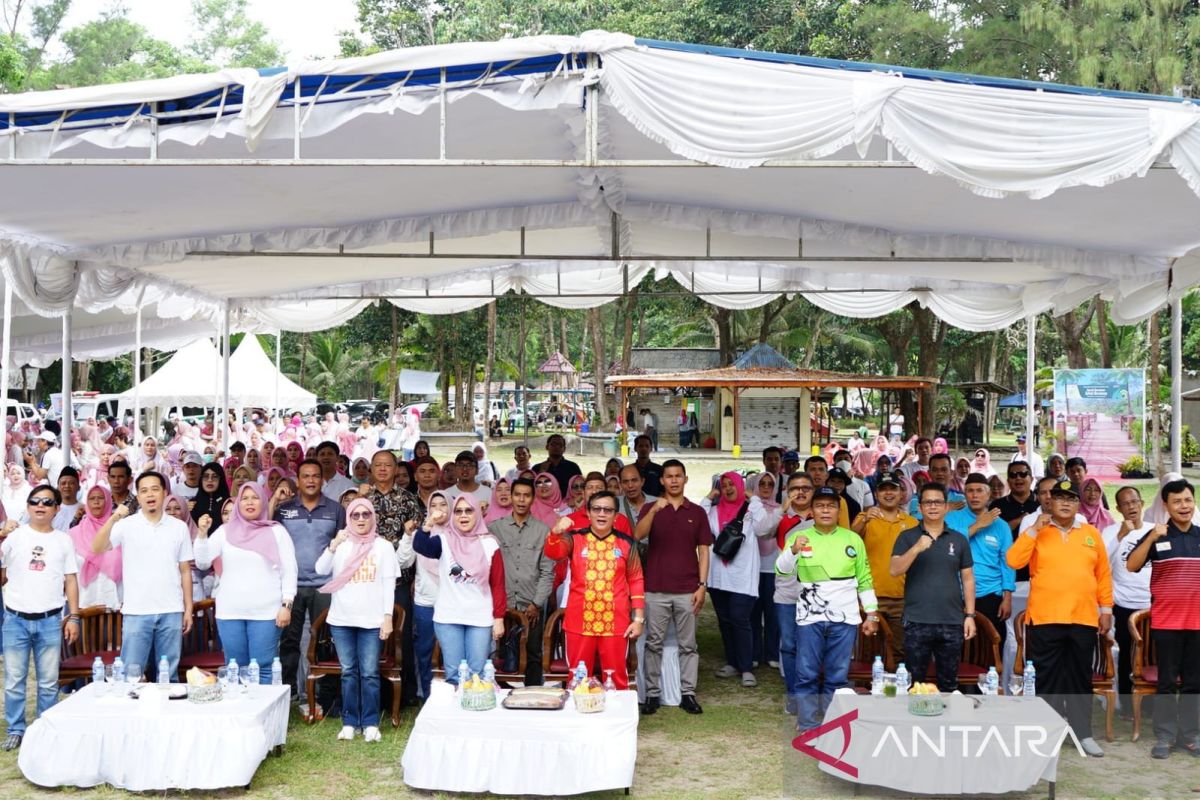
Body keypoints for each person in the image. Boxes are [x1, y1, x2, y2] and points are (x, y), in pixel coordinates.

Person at [1006, 479, 1111, 758]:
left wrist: (1107, 610)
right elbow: (1014, 561)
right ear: (1049, 501)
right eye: (1059, 497)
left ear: (1078, 504)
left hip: (1083, 618)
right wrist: (1033, 531)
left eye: (1071, 498)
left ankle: (1083, 734)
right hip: (1045, 617)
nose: (1065, 503)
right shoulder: (1037, 530)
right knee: (1047, 679)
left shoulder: (1091, 533)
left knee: (1079, 678)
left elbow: (1102, 575)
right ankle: (1046, 733)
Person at [775, 487, 878, 732]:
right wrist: (793, 550)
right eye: (819, 505)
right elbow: (782, 570)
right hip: (809, 617)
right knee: (807, 673)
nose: (825, 510)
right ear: (811, 510)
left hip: (846, 617)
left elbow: (864, 578)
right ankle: (809, 723)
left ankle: (833, 725)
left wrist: (872, 613)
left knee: (837, 676)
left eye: (830, 506)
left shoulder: (852, 539)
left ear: (838, 510)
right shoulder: (799, 537)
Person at [0, 485, 81, 751]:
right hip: (15, 619)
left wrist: (74, 617)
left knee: (48, 681)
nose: (40, 506)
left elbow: (71, 579)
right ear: (27, 505)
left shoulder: (63, 540)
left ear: (57, 509)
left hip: (49, 620)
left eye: (47, 502)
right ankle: (16, 729)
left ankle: (44, 728)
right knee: (14, 680)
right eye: (34, 501)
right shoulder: (15, 537)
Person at [91, 472, 194, 681]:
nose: (150, 494)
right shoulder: (127, 525)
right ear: (137, 496)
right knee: (132, 674)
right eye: (144, 490)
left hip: (171, 610)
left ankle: (165, 713)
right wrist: (114, 517)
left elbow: (185, 570)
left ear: (165, 493)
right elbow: (97, 547)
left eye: (155, 489)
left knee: (168, 675)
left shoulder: (179, 527)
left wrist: (188, 608)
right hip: (137, 611)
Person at [193, 482, 297, 681]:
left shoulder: (277, 532)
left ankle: (266, 712)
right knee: (236, 667)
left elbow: (290, 571)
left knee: (264, 667)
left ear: (264, 501)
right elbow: (203, 562)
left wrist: (287, 604)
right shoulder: (224, 531)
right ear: (238, 502)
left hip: (267, 612)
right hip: (230, 611)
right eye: (245, 498)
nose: (250, 502)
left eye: (255, 497)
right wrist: (202, 534)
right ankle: (240, 712)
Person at [1126, 479, 1200, 758]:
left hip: (1197, 623)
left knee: (1195, 683)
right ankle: (1165, 737)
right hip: (1166, 623)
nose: (1184, 506)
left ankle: (1191, 736)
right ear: (1166, 505)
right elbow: (1131, 565)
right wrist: (1150, 538)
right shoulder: (1158, 537)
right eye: (1177, 501)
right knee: (1166, 682)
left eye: (1188, 500)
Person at [315, 498, 398, 743]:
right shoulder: (341, 545)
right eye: (355, 515)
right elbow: (320, 570)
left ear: (373, 518)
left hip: (372, 621)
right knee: (349, 672)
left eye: (366, 514)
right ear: (348, 519)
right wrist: (332, 545)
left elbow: (388, 584)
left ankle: (370, 722)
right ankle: (350, 722)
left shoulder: (383, 547)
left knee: (370, 673)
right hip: (342, 620)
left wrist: (387, 617)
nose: (361, 519)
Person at [634, 460, 712, 715]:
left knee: (688, 645)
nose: (674, 480)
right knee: (653, 643)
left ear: (685, 479)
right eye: (669, 476)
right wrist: (654, 510)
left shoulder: (697, 512)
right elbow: (637, 534)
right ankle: (653, 694)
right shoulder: (651, 506)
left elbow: (703, 550)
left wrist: (702, 585)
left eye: (678, 476)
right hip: (656, 588)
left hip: (688, 589)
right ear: (662, 480)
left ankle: (687, 693)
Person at [545, 490, 645, 688]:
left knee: (616, 678)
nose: (602, 514)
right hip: (579, 622)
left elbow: (636, 579)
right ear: (588, 513)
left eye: (608, 510)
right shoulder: (574, 539)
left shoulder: (627, 544)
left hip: (615, 623)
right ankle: (579, 718)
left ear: (616, 516)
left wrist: (638, 619)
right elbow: (553, 552)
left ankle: (616, 718)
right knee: (578, 679)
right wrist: (555, 532)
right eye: (597, 509)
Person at [889, 482, 976, 692]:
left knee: (949, 684)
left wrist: (970, 615)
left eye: (938, 502)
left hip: (952, 621)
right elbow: (894, 569)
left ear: (946, 507)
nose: (933, 506)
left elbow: (968, 578)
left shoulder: (958, 539)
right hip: (917, 620)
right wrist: (917, 548)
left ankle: (946, 723)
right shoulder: (907, 536)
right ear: (919, 507)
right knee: (914, 684)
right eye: (928, 502)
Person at [413, 494, 507, 681]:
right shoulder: (444, 540)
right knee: (455, 674)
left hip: (479, 618)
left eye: (468, 511)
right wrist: (429, 522)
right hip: (449, 617)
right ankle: (456, 709)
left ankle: (475, 710)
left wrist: (499, 618)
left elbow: (498, 584)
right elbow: (420, 545)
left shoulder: (490, 544)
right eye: (458, 511)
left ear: (477, 514)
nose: (463, 516)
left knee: (477, 674)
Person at [361, 450, 424, 708]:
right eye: (378, 465)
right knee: (370, 635)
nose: (383, 469)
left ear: (396, 469)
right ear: (371, 469)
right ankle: (375, 695)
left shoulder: (409, 500)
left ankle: (406, 693)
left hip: (399, 581)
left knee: (401, 637)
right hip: (367, 581)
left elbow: (415, 537)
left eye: (388, 465)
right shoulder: (363, 500)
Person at [488, 478, 554, 686]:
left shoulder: (543, 531)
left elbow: (547, 572)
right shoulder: (494, 528)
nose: (521, 500)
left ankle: (533, 695)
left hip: (530, 604)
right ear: (512, 497)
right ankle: (503, 698)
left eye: (526, 495)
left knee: (533, 652)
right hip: (503, 603)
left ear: (533, 499)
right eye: (517, 495)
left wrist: (537, 603)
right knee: (501, 653)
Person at [702, 472, 764, 687]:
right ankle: (732, 662)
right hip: (718, 576)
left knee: (740, 619)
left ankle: (746, 667)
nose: (728, 488)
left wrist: (754, 498)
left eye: (732, 484)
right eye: (724, 484)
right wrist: (710, 497)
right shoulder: (714, 511)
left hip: (742, 576)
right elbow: (698, 520)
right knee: (725, 621)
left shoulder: (750, 511)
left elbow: (764, 525)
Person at [946, 474, 1014, 659]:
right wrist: (978, 525)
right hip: (956, 594)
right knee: (957, 650)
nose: (974, 495)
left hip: (990, 594)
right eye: (970, 491)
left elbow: (1007, 562)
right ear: (964, 494)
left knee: (990, 649)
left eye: (979, 491)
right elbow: (948, 546)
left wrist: (1007, 596)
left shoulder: (1001, 526)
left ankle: (990, 686)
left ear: (989, 494)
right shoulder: (952, 519)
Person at [851, 473, 917, 665]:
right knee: (868, 649)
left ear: (901, 492)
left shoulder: (911, 522)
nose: (888, 493)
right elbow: (849, 543)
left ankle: (896, 690)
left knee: (899, 650)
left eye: (893, 488)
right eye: (883, 489)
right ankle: (865, 690)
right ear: (876, 493)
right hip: (871, 597)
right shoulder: (865, 517)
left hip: (902, 597)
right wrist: (864, 521)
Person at [1101, 486, 1153, 723]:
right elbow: (1101, 568)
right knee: (1125, 655)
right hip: (1123, 603)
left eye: (1134, 501)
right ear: (1118, 509)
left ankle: (1151, 705)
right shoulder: (1110, 532)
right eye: (1125, 503)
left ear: (1142, 503)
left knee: (1152, 655)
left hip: (1152, 605)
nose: (1131, 507)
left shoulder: (1156, 531)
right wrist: (1120, 536)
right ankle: (1127, 707)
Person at [397, 490, 449, 699]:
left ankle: (451, 695)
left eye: (443, 505)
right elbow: (402, 562)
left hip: (452, 603)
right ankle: (428, 696)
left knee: (450, 653)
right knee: (425, 651)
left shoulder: (458, 533)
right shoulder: (421, 533)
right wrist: (409, 536)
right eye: (433, 505)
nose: (438, 510)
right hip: (426, 601)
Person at [991, 461, 1040, 679]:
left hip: (1037, 575)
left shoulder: (1042, 503)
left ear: (1031, 477)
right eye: (1013, 475)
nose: (1019, 478)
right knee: (1010, 631)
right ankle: (1008, 674)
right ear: (1008, 479)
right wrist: (1022, 521)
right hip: (1010, 576)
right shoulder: (998, 506)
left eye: (1023, 474)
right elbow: (996, 536)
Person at [775, 472, 816, 714]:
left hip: (815, 593)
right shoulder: (780, 517)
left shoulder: (822, 516)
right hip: (787, 591)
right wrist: (781, 510)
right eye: (795, 488)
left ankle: (809, 693)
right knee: (789, 645)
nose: (800, 493)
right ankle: (793, 693)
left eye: (806, 488)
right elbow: (762, 531)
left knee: (811, 646)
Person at [746, 472, 783, 670]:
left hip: (772, 567)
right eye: (762, 484)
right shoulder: (750, 508)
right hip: (752, 567)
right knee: (753, 613)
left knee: (772, 613)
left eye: (770, 484)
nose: (767, 487)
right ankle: (754, 653)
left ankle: (771, 653)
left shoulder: (780, 509)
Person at [67, 486, 122, 610]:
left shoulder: (119, 531)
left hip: (113, 604)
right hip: (82, 603)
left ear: (108, 501)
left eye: (101, 498)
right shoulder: (74, 533)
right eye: (92, 498)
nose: (96, 502)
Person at [190, 462, 230, 533]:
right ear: (201, 479)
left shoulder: (228, 503)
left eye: (214, 476)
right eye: (206, 476)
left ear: (220, 480)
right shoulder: (192, 503)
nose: (210, 480)